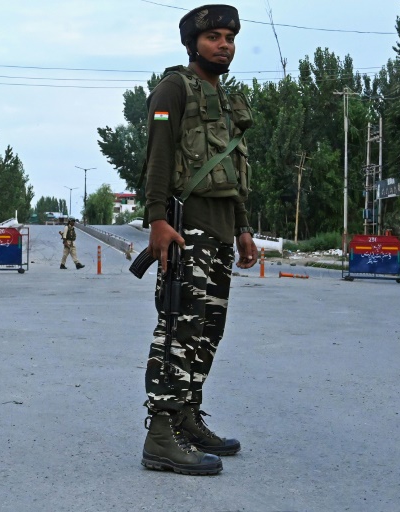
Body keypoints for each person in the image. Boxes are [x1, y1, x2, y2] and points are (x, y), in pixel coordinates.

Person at [139, 4, 258, 475]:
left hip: (222, 229)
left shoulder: (226, 100)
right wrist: (156, 218)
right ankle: (160, 435)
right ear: (193, 44)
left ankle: (187, 418)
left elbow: (232, 172)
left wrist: (243, 228)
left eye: (230, 38)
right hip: (185, 228)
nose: (223, 45)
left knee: (208, 330)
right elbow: (158, 157)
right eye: (213, 37)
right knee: (179, 328)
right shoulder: (174, 88)